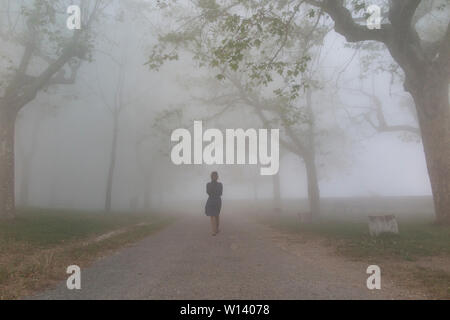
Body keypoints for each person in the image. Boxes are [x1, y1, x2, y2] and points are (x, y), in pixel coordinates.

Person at [205, 171, 223, 236]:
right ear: (211, 177)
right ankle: (214, 231)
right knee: (212, 215)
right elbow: (208, 192)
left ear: (217, 177)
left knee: (216, 215)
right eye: (214, 176)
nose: (215, 177)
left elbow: (220, 193)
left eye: (216, 176)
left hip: (216, 200)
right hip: (212, 200)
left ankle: (216, 229)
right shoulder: (208, 184)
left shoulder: (219, 184)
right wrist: (214, 191)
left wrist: (213, 191)